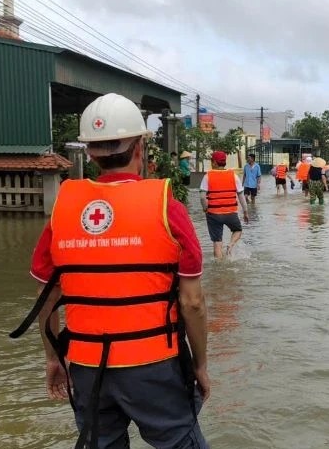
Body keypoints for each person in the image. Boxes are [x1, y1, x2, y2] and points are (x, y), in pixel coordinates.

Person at [12, 94, 209, 449]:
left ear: (90, 153)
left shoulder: (63, 209)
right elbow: (192, 302)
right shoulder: (168, 206)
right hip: (155, 364)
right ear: (139, 149)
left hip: (87, 367)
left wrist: (53, 358)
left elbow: (46, 297)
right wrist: (200, 366)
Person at [200, 151, 249, 258]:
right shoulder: (234, 176)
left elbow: (202, 197)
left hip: (213, 214)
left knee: (217, 243)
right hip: (231, 213)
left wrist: (205, 209)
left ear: (214, 163)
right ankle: (230, 245)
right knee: (238, 230)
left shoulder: (207, 176)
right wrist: (245, 212)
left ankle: (219, 270)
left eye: (211, 161)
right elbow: (241, 196)